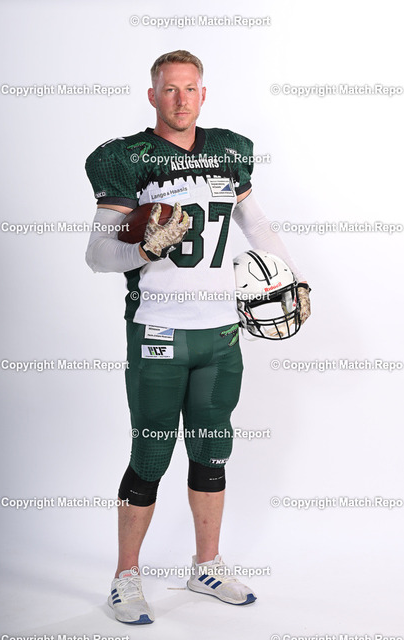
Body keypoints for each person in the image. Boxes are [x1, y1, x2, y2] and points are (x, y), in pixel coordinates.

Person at [85, 50, 311, 625]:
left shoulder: (228, 152)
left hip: (220, 334)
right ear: (153, 95)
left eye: (190, 89)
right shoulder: (126, 159)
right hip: (158, 330)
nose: (181, 99)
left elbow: (257, 225)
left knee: (212, 451)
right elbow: (98, 254)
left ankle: (205, 565)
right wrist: (143, 249)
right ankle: (125, 577)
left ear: (203, 94)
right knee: (151, 453)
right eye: (169, 89)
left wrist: (294, 278)